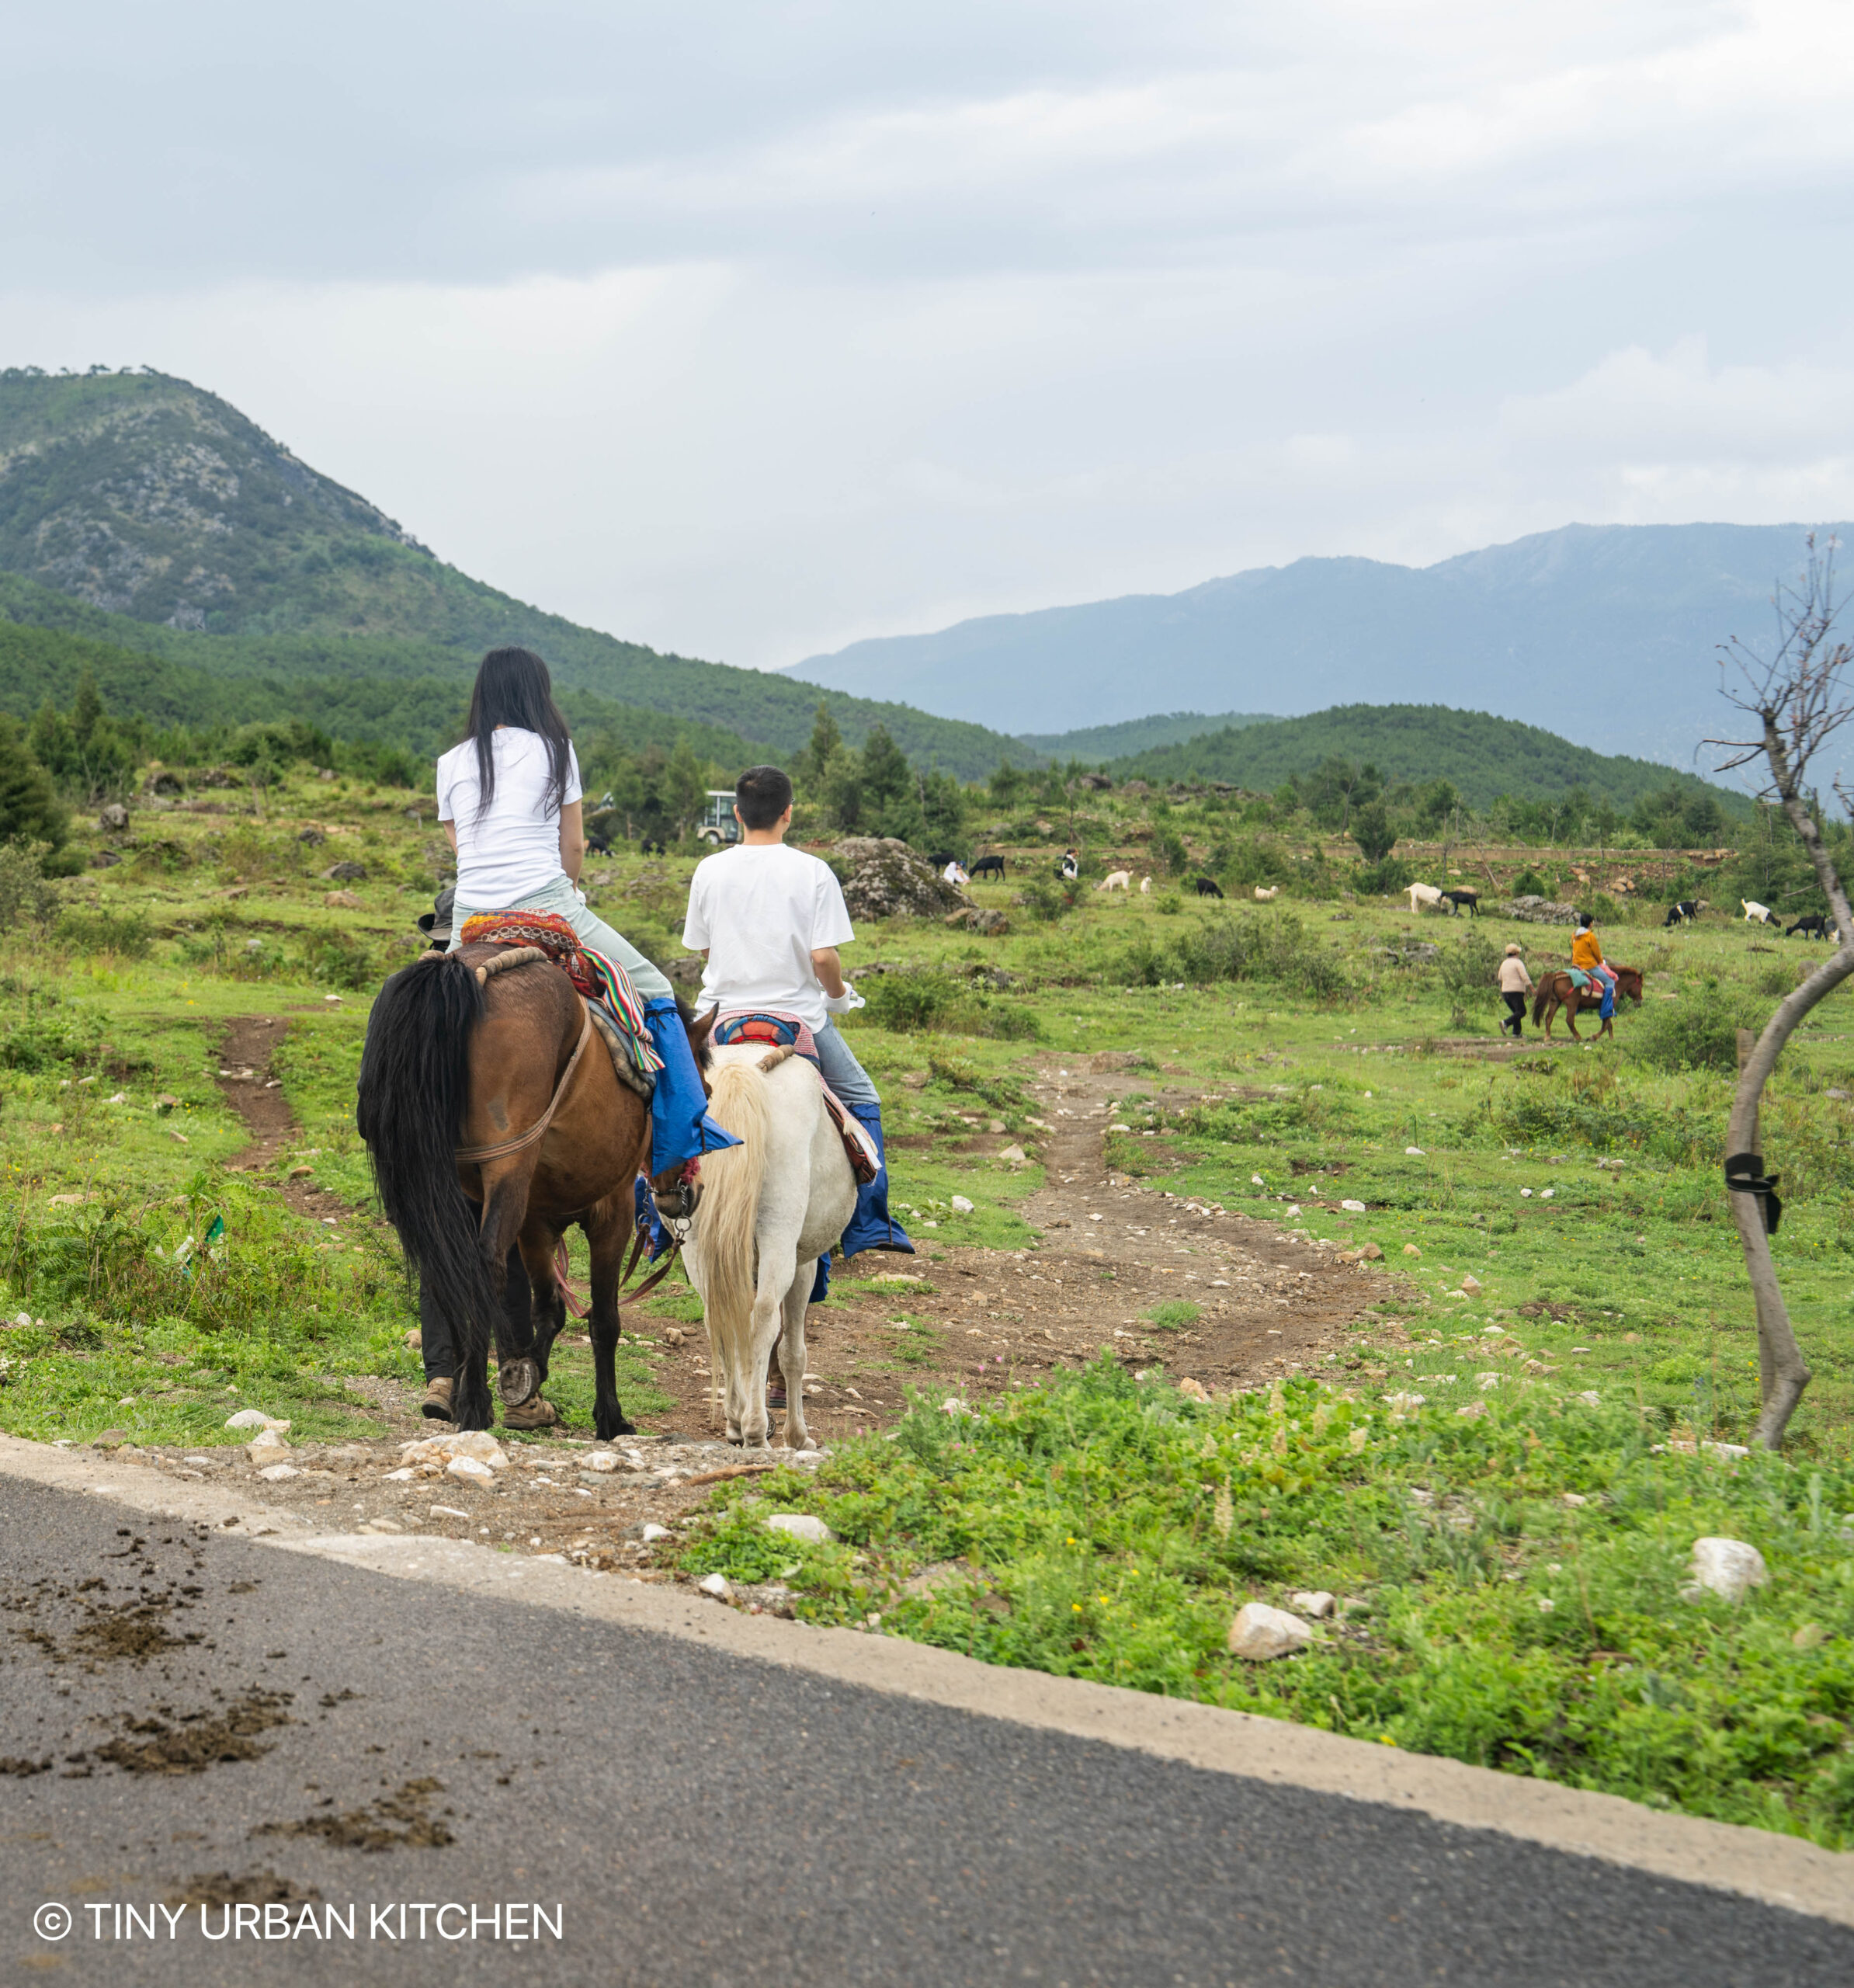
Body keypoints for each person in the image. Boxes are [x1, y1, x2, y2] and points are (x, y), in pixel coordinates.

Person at [436, 645, 738, 1186]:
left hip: (470, 915)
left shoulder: (451, 761)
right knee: (659, 989)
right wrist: (568, 899)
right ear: (537, 694)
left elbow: (462, 849)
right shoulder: (556, 751)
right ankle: (677, 1143)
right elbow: (572, 847)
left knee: (424, 1001)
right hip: (547, 901)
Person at [682, 764, 913, 1265]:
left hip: (721, 1018)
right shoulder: (812, 872)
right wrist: (837, 995)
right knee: (860, 1096)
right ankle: (871, 1223)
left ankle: (653, 1218)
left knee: (666, 1100)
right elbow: (824, 959)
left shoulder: (709, 869)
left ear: (738, 814)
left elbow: (705, 952)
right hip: (798, 1020)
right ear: (788, 814)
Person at [1571, 912, 1618, 1020]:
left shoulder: (1574, 935)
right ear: (1591, 924)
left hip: (1576, 966)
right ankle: (1606, 1010)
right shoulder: (1590, 936)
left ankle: (1580, 1007)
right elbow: (1597, 953)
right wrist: (1602, 962)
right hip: (1589, 966)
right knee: (1610, 982)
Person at [1496, 943, 1533, 1037]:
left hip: (1505, 991)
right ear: (1516, 953)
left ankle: (1516, 1033)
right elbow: (1525, 977)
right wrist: (1532, 989)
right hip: (1516, 991)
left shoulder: (1504, 963)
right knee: (1522, 1012)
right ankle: (1505, 1023)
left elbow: (1500, 977)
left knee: (1516, 1012)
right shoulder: (1518, 963)